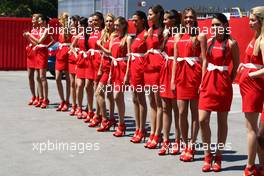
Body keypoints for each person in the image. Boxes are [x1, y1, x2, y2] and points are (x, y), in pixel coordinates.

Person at [199, 13, 239, 172]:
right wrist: (202, 81)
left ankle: (219, 156)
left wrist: (228, 80)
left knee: (222, 122)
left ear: (225, 26)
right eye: (213, 25)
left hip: (223, 86)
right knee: (203, 120)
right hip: (207, 82)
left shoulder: (232, 43)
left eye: (218, 25)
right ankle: (207, 154)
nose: (215, 28)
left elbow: (236, 66)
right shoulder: (208, 42)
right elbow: (204, 62)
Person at [171, 8, 206, 162]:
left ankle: (191, 145)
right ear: (183, 19)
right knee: (181, 112)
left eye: (191, 17)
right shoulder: (178, 36)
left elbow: (205, 59)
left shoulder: (201, 36)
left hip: (195, 76)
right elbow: (175, 59)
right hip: (181, 76)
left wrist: (203, 80)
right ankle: (185, 143)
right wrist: (172, 79)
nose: (188, 20)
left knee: (194, 113)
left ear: (195, 19)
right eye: (186, 18)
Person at [237, 6, 264, 176]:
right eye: (249, 19)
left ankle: (249, 166)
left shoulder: (262, 40)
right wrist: (244, 66)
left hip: (254, 88)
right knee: (255, 130)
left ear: (262, 21)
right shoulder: (256, 37)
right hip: (249, 87)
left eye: (253, 20)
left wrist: (252, 74)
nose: (250, 22)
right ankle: (260, 166)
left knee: (251, 129)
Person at [158, 9, 181, 155]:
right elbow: (161, 50)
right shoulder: (167, 34)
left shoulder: (180, 34)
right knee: (165, 108)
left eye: (167, 19)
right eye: (164, 19)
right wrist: (165, 38)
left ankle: (178, 141)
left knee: (176, 109)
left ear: (174, 20)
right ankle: (166, 140)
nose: (164, 22)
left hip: (176, 71)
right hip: (165, 71)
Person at [125, 11, 148, 143]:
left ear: (142, 20)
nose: (134, 22)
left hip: (141, 69)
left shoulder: (146, 34)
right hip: (134, 68)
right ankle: (138, 128)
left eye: (136, 20)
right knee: (134, 98)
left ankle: (142, 129)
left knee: (140, 99)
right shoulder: (136, 36)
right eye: (132, 20)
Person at [144, 4, 165, 149]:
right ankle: (152, 132)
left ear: (158, 15)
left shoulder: (164, 31)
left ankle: (158, 134)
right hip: (148, 68)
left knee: (159, 104)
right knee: (151, 102)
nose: (149, 16)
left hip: (158, 68)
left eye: (151, 14)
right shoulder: (149, 30)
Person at [25, 15, 54, 109]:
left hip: (41, 53)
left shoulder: (46, 30)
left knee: (42, 77)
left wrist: (29, 35)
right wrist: (28, 37)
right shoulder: (39, 30)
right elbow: (36, 43)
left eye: (39, 20)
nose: (37, 22)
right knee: (38, 77)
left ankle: (45, 98)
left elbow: (39, 41)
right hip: (36, 52)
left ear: (44, 22)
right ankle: (39, 97)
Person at [95, 13, 117, 132]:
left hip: (111, 67)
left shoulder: (114, 35)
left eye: (111, 21)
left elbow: (110, 52)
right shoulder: (104, 33)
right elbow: (104, 55)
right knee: (107, 94)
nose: (109, 23)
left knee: (99, 93)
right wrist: (99, 69)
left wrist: (100, 46)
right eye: (107, 21)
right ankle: (110, 118)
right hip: (104, 66)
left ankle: (105, 119)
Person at [109, 16, 129, 137]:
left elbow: (130, 57)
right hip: (115, 68)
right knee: (117, 97)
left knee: (117, 96)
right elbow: (112, 56)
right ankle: (121, 123)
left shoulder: (127, 39)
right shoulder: (114, 38)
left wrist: (127, 74)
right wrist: (111, 72)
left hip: (123, 68)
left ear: (123, 25)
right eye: (114, 25)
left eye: (117, 25)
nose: (115, 27)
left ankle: (122, 123)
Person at [86, 12, 105, 127]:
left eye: (96, 20)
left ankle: (99, 115)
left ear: (101, 21)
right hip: (90, 61)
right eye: (92, 20)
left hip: (99, 61)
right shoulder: (91, 32)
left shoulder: (103, 32)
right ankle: (92, 111)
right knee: (89, 86)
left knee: (97, 89)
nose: (94, 22)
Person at [72, 17, 89, 119]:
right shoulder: (78, 36)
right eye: (78, 25)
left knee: (88, 86)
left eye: (81, 25)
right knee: (79, 85)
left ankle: (87, 107)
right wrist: (76, 55)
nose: (79, 27)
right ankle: (79, 107)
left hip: (88, 62)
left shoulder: (89, 35)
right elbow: (72, 47)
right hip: (80, 61)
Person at [55, 12, 71, 112]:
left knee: (68, 79)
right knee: (57, 78)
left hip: (67, 53)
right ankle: (62, 100)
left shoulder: (70, 30)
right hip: (60, 54)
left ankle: (67, 101)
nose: (59, 21)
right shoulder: (60, 29)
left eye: (60, 19)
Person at [23, 13, 40, 106]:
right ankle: (33, 96)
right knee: (30, 76)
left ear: (38, 21)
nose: (32, 21)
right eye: (32, 19)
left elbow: (37, 43)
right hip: (30, 54)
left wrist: (29, 37)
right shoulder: (33, 29)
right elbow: (31, 41)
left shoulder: (40, 30)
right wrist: (27, 37)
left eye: (34, 19)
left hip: (36, 54)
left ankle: (38, 96)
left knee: (38, 77)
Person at [68, 15, 80, 116]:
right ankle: (74, 105)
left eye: (71, 21)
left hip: (78, 59)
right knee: (72, 83)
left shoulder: (80, 32)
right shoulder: (71, 32)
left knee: (77, 84)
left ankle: (79, 106)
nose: (70, 23)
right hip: (71, 59)